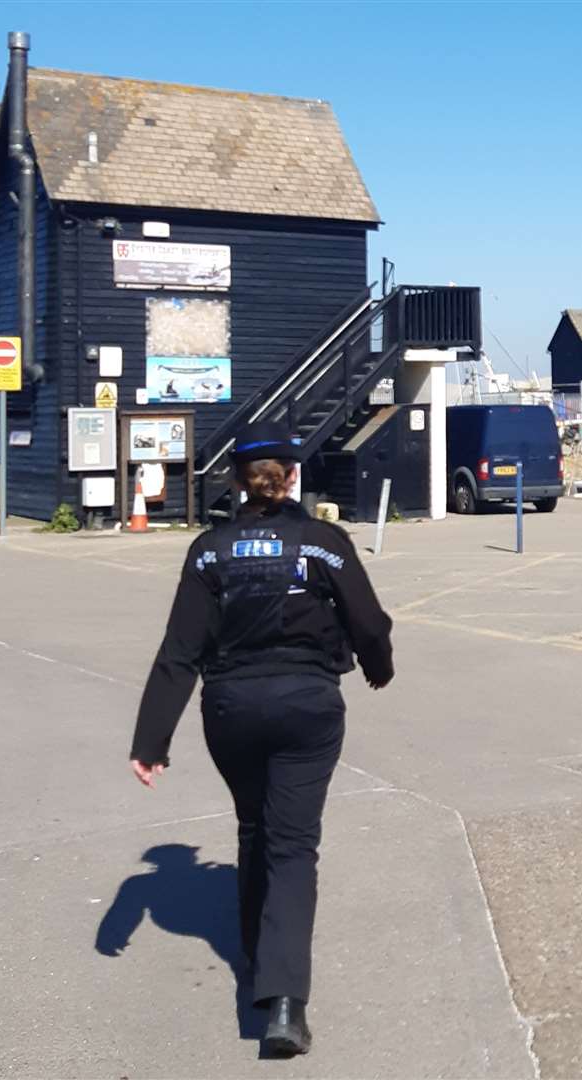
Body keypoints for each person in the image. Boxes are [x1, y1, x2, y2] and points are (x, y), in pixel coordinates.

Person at [127, 419, 394, 1057]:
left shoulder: (209, 551)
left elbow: (179, 652)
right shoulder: (324, 543)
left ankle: (254, 953)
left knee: (254, 827)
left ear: (237, 480)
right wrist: (378, 670)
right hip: (307, 707)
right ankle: (284, 1005)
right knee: (293, 846)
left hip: (231, 710)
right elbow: (369, 623)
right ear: (293, 474)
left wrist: (151, 740)